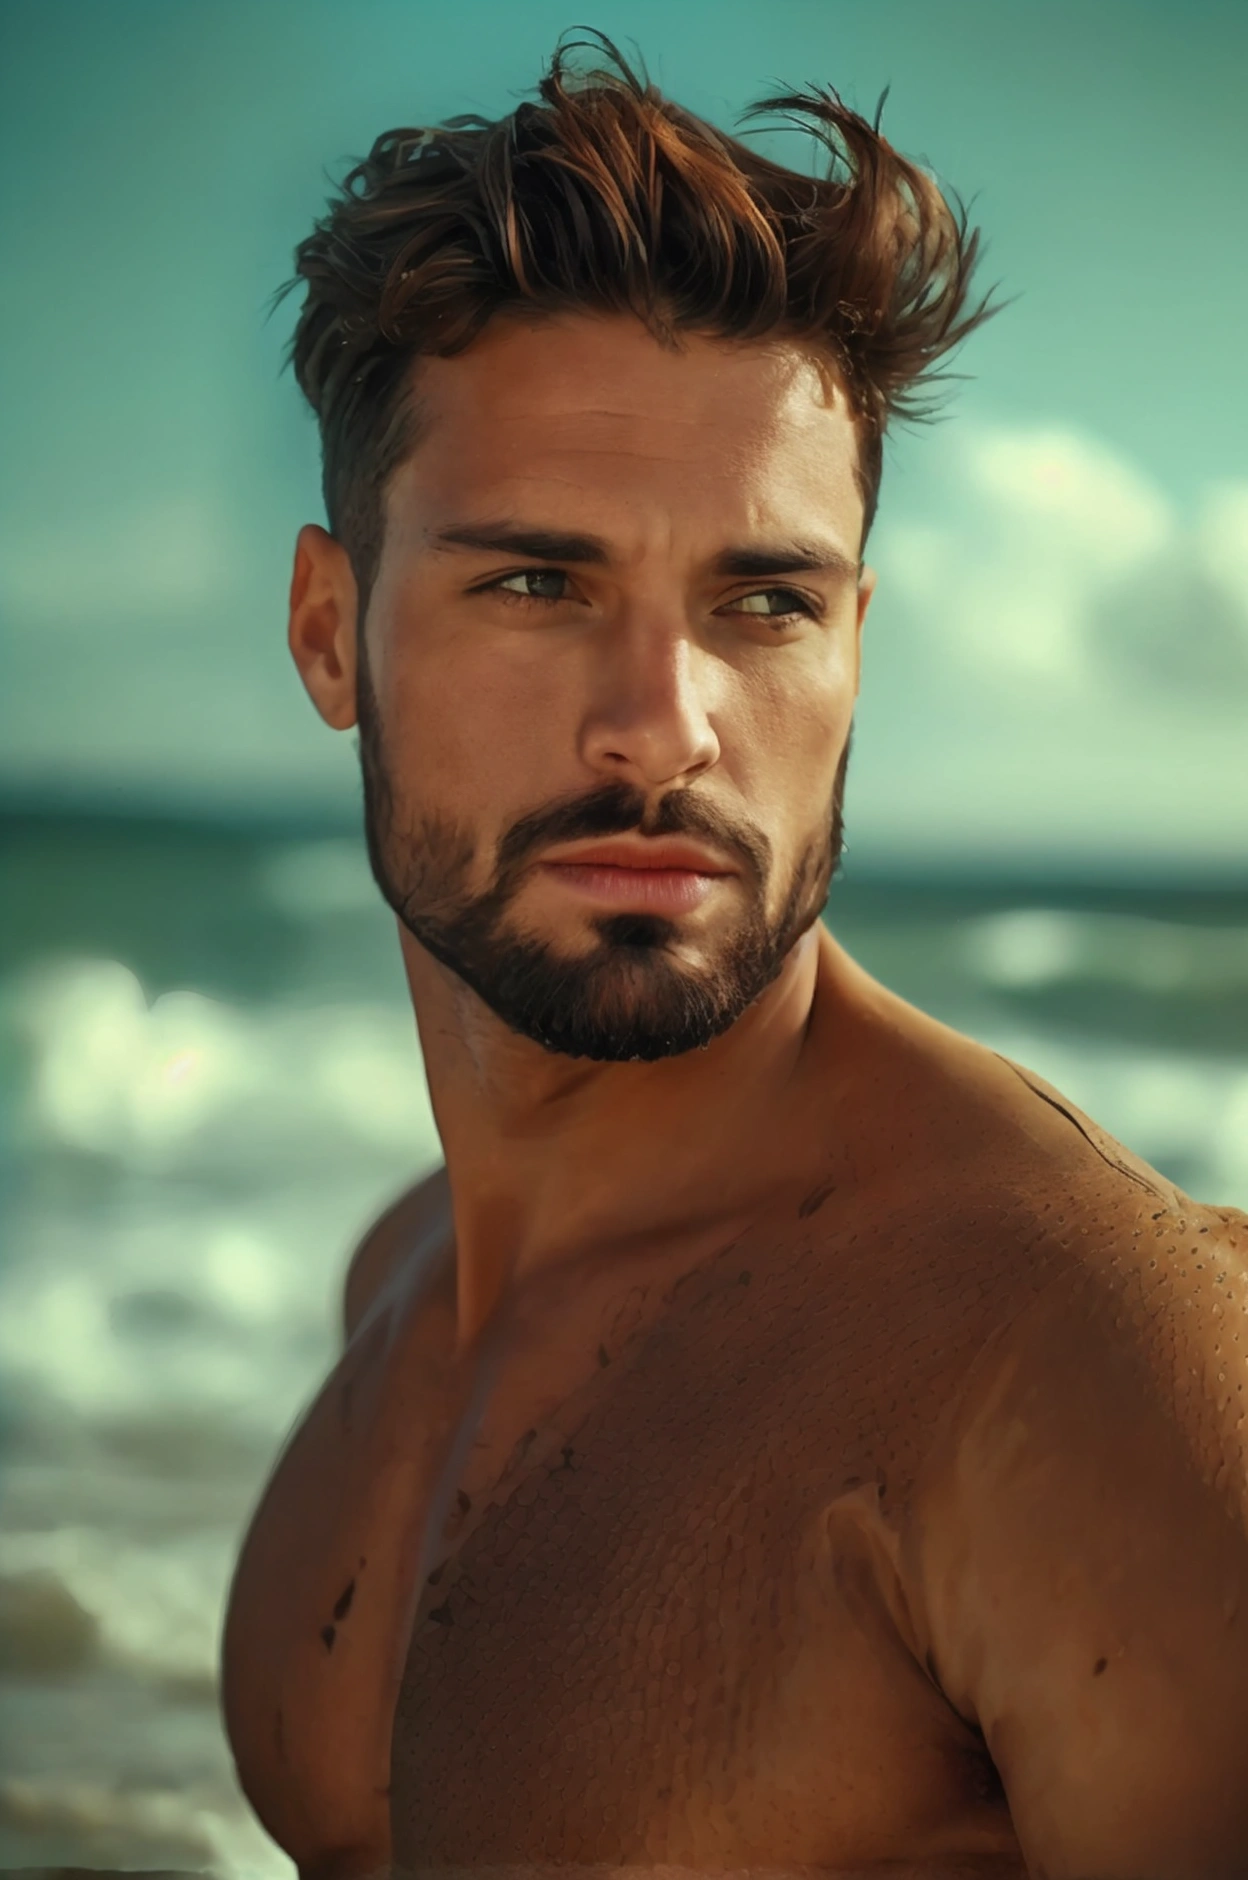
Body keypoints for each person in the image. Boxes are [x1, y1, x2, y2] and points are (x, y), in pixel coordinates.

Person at [221, 31, 1248, 1880]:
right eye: (539, 584)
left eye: (761, 602)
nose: (661, 727)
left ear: (857, 640)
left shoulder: (1082, 1359)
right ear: (327, 632)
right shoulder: (402, 1282)